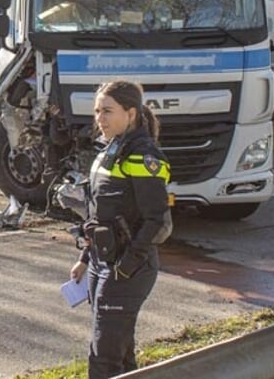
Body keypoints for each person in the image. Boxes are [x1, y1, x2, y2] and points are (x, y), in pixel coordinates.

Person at [69, 80, 172, 379]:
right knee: (120, 352)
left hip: (128, 268)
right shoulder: (109, 149)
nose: (100, 118)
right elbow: (102, 215)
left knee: (103, 360)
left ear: (130, 114)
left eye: (107, 111)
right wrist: (85, 258)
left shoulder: (143, 156)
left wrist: (126, 267)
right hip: (101, 262)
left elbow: (159, 222)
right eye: (97, 111)